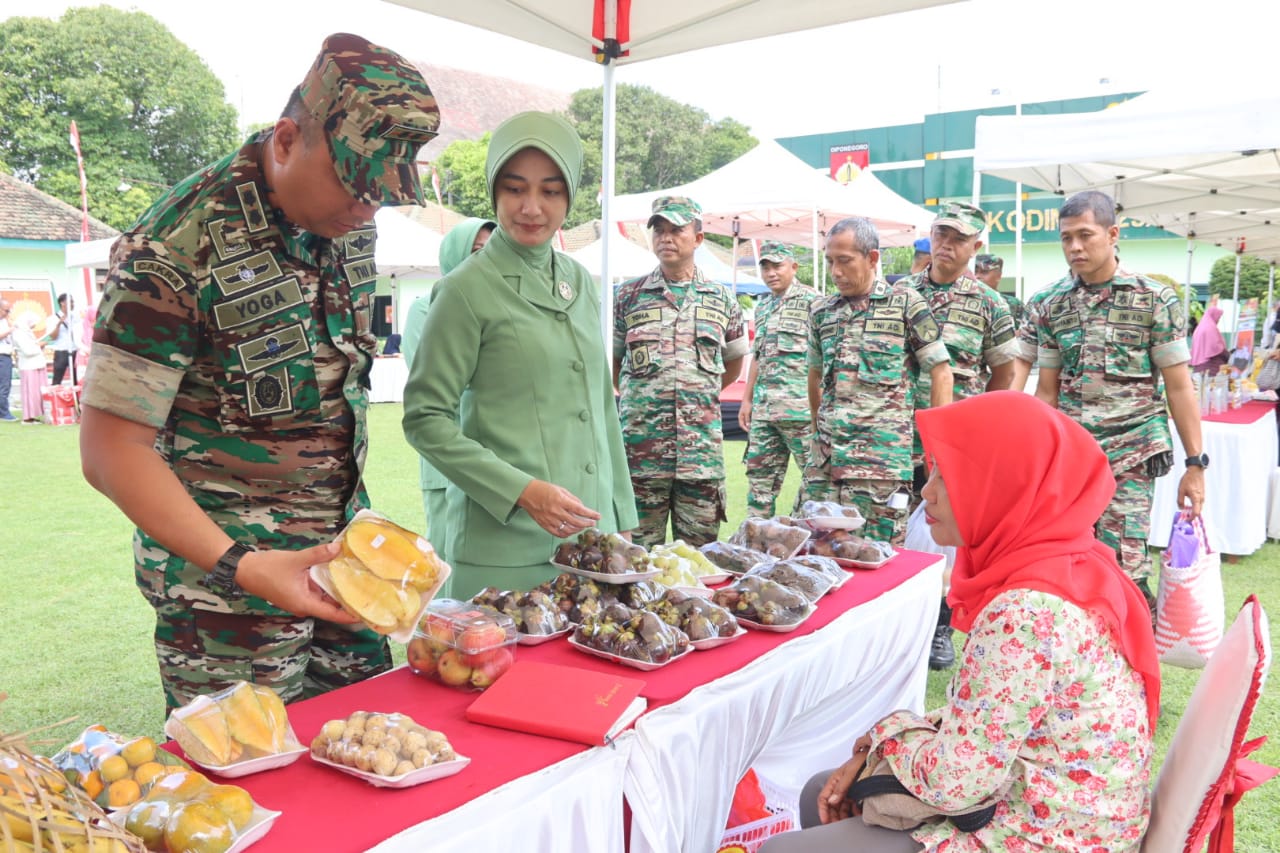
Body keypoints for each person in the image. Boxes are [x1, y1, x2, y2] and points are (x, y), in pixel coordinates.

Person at [79, 32, 442, 709]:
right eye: (356, 185)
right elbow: (109, 451)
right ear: (285, 139)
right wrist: (243, 564)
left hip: (341, 570)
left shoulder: (346, 225)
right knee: (253, 795)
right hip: (223, 602)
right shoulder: (175, 244)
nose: (367, 209)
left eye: (381, 195)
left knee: (371, 762)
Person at [762, 391, 1160, 853]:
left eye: (948, 478)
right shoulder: (1069, 564)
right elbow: (995, 719)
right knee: (821, 789)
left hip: (1044, 833)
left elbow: (956, 782)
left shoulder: (1026, 610)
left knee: (784, 846)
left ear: (1005, 488)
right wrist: (883, 742)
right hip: (1070, 812)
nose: (926, 491)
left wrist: (885, 739)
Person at [403, 112, 637, 599]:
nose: (531, 207)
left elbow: (600, 406)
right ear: (494, 193)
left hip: (587, 545)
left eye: (550, 191)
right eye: (515, 189)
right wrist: (522, 492)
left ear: (569, 196)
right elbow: (425, 419)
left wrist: (620, 518)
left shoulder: (580, 283)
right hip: (503, 551)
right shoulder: (464, 289)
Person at [1029, 190, 1205, 607]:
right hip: (1073, 457)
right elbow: (1047, 390)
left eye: (1085, 235)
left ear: (1112, 234)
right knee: (1069, 560)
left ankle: (1131, 658)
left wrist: (1195, 465)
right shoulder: (1051, 304)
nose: (1074, 247)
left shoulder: (1153, 300)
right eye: (1066, 237)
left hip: (1132, 450)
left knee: (1123, 563)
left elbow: (1179, 387)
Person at [898, 202, 1016, 670]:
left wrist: (972, 425)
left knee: (948, 536)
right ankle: (898, 624)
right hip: (892, 437)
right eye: (940, 234)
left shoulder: (989, 304)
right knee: (891, 532)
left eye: (958, 238)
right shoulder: (900, 292)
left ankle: (941, 626)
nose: (946, 245)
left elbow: (1005, 374)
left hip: (954, 446)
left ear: (976, 246)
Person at [806, 217, 952, 544]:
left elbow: (941, 372)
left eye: (845, 261)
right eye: (830, 261)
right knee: (817, 553)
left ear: (872, 258)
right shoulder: (821, 312)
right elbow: (814, 375)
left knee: (880, 560)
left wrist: (936, 448)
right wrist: (819, 431)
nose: (836, 272)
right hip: (825, 466)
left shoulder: (905, 304)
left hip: (879, 469)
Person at [613, 196, 747, 548]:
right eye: (658, 230)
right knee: (638, 561)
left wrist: (696, 394)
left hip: (699, 457)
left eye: (676, 230)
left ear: (698, 239)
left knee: (700, 563)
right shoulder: (628, 296)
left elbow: (733, 364)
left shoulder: (721, 299)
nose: (665, 238)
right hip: (641, 457)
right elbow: (612, 365)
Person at [400, 216, 495, 589]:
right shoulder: (427, 309)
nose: (486, 259)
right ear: (455, 254)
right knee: (446, 563)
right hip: (448, 459)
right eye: (476, 251)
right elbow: (434, 389)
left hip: (498, 456)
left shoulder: (501, 308)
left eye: (492, 250)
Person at [738, 240, 817, 517]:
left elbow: (823, 358)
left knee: (815, 482)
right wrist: (746, 400)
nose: (771, 273)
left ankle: (803, 539)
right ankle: (755, 545)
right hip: (765, 411)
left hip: (801, 412)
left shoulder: (813, 302)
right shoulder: (762, 306)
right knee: (759, 485)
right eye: (766, 267)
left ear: (793, 267)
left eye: (778, 266)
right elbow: (757, 355)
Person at [12, 312, 47, 423]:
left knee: (37, 393)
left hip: (36, 365)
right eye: (32, 324)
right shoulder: (18, 334)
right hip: (28, 366)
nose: (33, 326)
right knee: (30, 393)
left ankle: (34, 416)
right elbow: (28, 351)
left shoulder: (27, 333)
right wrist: (39, 345)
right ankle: (28, 418)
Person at [973, 252, 1023, 326]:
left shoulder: (1014, 305)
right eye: (974, 272)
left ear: (998, 276)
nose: (977, 276)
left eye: (984, 272)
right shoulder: (960, 300)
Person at [1190, 295, 1228, 375]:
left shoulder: (1199, 328)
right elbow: (1216, 348)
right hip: (1210, 367)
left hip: (1198, 367)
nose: (1218, 320)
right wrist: (1228, 355)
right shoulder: (1211, 328)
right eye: (1218, 317)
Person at [48, 293, 80, 386]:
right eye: (71, 302)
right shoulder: (52, 318)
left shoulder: (76, 318)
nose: (73, 304)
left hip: (74, 351)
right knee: (57, 379)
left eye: (73, 302)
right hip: (61, 352)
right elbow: (53, 337)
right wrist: (58, 324)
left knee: (76, 379)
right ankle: (56, 399)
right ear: (62, 303)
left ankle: (76, 399)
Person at [0, 299, 14, 421]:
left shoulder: (5, 321)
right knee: (4, 385)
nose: (8, 313)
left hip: (6, 355)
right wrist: (10, 330)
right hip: (1, 356)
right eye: (6, 310)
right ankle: (4, 413)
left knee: (5, 385)